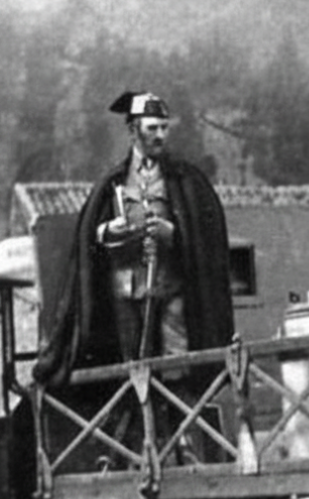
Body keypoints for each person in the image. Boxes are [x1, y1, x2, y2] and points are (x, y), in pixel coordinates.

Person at [34, 91, 233, 388]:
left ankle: (182, 427)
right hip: (125, 291)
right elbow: (89, 236)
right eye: (152, 128)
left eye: (164, 128)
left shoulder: (185, 180)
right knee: (133, 370)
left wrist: (174, 234)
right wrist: (107, 232)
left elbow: (207, 235)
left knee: (176, 364)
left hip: (170, 289)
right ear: (132, 131)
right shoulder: (112, 182)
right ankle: (142, 430)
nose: (160, 136)